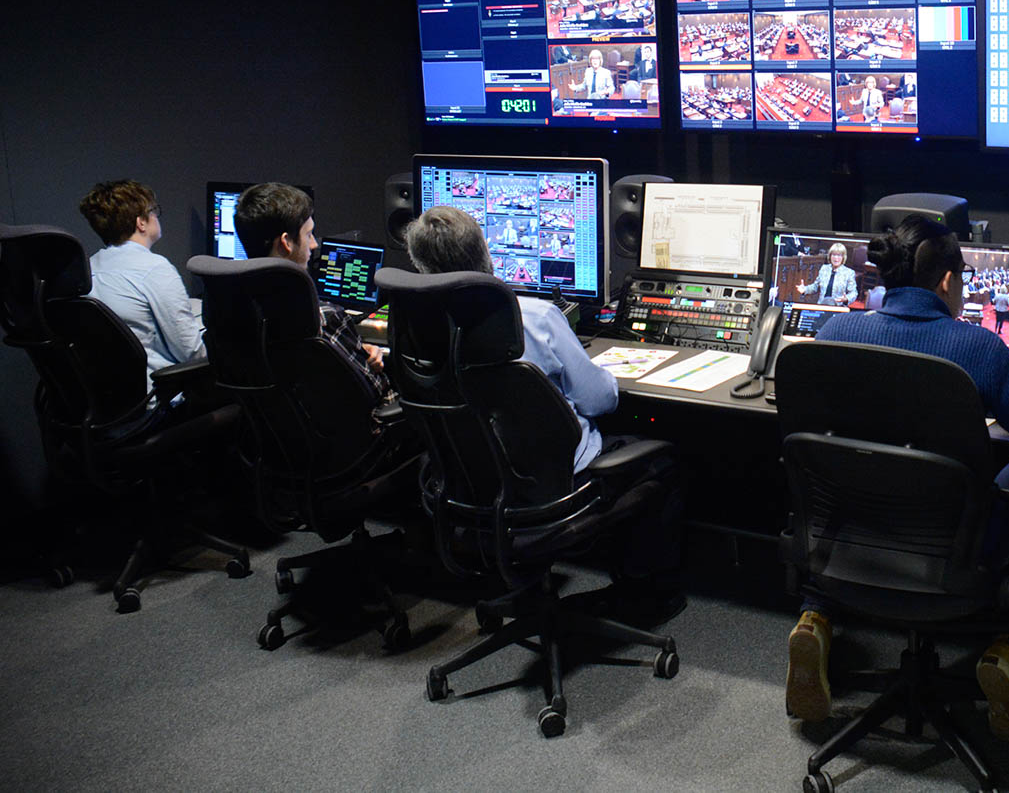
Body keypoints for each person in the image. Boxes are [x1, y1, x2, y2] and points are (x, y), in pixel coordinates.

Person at [785, 216, 1009, 746]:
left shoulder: (835, 334)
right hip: (951, 560)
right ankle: (1007, 646)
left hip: (849, 548)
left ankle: (815, 619)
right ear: (946, 281)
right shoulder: (980, 351)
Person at [404, 205, 682, 620]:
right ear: (486, 252)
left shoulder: (412, 327)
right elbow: (600, 400)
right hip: (553, 488)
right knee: (663, 460)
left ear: (420, 266)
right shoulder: (535, 316)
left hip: (466, 487)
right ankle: (645, 596)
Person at [232, 182, 389, 404]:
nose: (314, 244)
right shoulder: (322, 316)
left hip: (273, 430)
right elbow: (373, 391)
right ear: (286, 242)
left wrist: (352, 351)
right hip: (351, 433)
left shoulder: (233, 307)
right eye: (309, 234)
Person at [79, 179, 205, 391]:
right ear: (141, 222)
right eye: (154, 211)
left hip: (107, 399)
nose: (157, 216)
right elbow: (191, 354)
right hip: (157, 399)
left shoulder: (87, 268)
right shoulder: (154, 269)